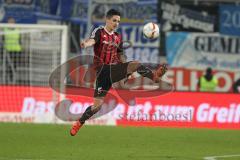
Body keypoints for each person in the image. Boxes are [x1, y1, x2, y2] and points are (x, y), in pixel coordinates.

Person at [70, 9, 167, 136]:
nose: (116, 23)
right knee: (96, 107)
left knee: (134, 65)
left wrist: (126, 68)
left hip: (112, 70)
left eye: (118, 21)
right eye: (114, 20)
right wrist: (86, 44)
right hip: (102, 71)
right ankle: (79, 123)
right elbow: (92, 40)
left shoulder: (117, 37)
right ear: (107, 20)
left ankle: (154, 77)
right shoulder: (99, 31)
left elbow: (120, 55)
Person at [4, 17, 22, 83]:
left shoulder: (18, 30)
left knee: (15, 66)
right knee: (8, 66)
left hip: (17, 51)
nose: (11, 23)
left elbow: (20, 41)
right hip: (8, 51)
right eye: (10, 21)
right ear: (7, 22)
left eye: (12, 21)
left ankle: (13, 80)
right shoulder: (4, 29)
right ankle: (8, 80)